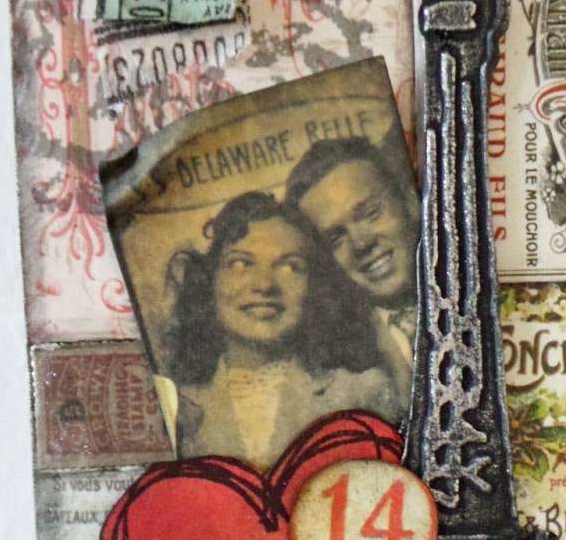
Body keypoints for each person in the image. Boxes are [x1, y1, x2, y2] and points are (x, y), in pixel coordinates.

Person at [159, 191, 396, 467]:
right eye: (241, 263)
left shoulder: (363, 392)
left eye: (290, 267)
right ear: (209, 281)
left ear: (315, 288)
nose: (264, 285)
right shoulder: (172, 405)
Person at [285, 137, 419, 416]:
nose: (360, 243)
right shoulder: (337, 369)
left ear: (409, 203)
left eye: (370, 214)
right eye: (335, 239)